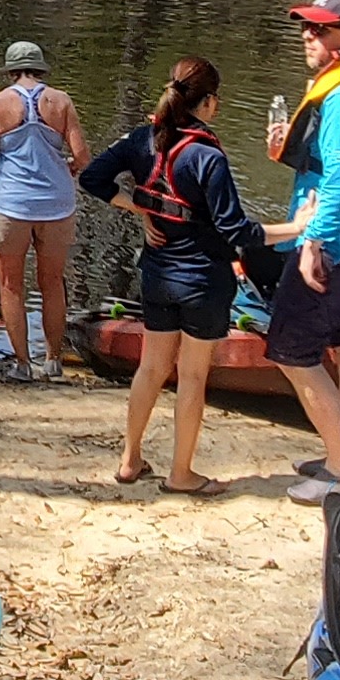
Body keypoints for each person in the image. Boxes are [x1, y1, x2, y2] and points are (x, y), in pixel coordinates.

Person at [82, 57, 250, 494]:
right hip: (203, 281)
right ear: (209, 103)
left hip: (157, 274)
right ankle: (182, 475)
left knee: (152, 367)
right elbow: (233, 228)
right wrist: (295, 228)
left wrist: (140, 205)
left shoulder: (144, 140)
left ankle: (129, 458)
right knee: (192, 376)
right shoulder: (207, 156)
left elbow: (93, 178)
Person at [261, 0, 340, 503]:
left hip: (335, 247)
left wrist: (312, 241)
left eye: (321, 29)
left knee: (291, 351)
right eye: (306, 29)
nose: (308, 37)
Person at [0, 40, 85, 384]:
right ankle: (54, 360)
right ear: (41, 68)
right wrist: (70, 167)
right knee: (52, 282)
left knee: (11, 285)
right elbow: (83, 156)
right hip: (57, 207)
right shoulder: (61, 101)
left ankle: (23, 364)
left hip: (13, 206)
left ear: (10, 70)